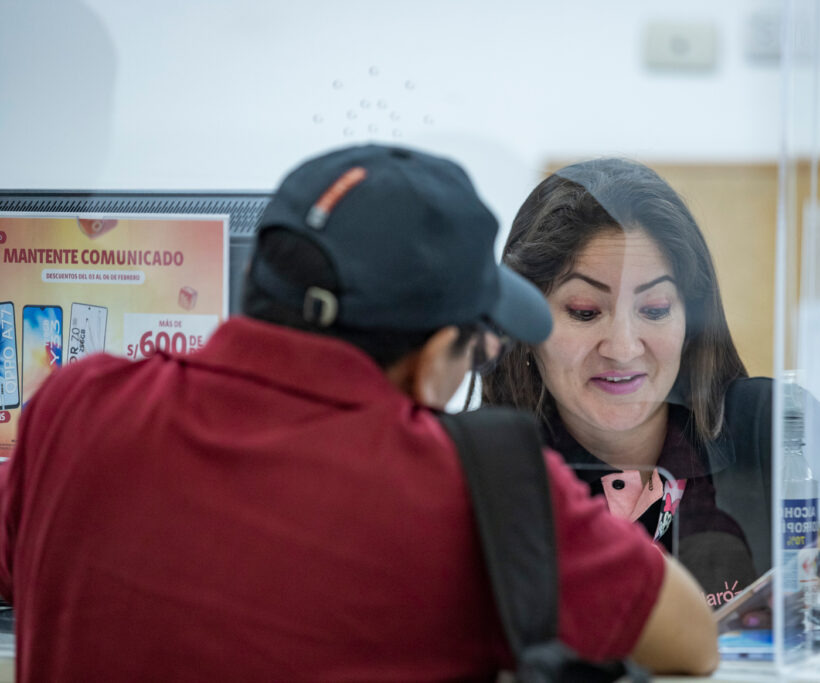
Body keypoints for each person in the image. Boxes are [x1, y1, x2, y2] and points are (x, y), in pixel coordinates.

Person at [0, 145, 718, 680]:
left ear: (255, 276)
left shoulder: (76, 408)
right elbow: (690, 638)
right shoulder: (479, 490)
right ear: (433, 357)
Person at [482, 157, 820, 603]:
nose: (624, 347)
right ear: (525, 323)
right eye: (585, 312)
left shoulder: (769, 424)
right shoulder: (489, 463)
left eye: (655, 309)